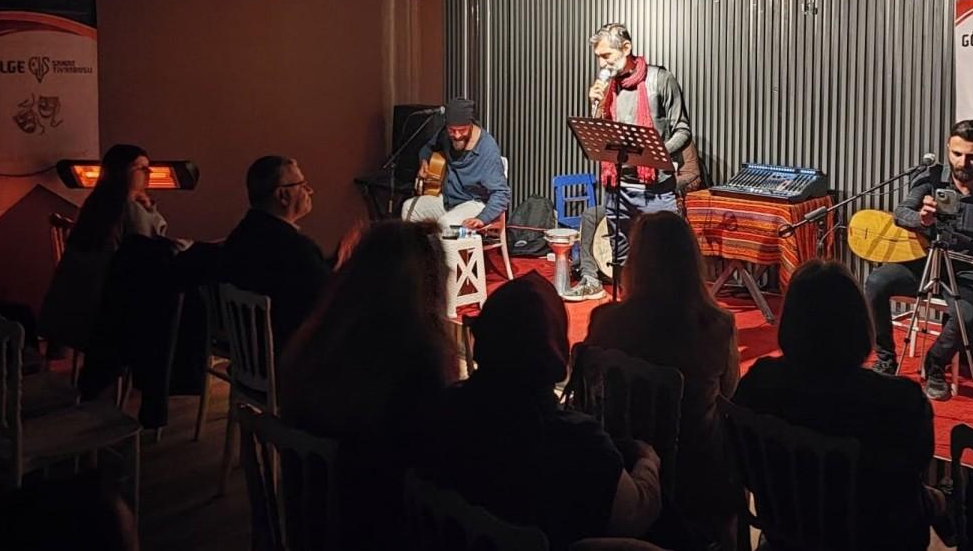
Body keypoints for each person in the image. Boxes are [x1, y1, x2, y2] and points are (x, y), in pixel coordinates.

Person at [413, 272, 662, 549]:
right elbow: (636, 516)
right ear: (555, 348)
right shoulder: (577, 442)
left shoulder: (441, 409)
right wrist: (647, 460)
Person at [734, 260, 943, 551]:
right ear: (860, 321)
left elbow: (742, 461)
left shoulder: (761, 381)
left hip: (787, 532)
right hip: (874, 538)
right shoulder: (900, 400)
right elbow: (908, 475)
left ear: (791, 319)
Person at [281, 221, 457, 550]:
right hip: (375, 528)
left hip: (311, 522)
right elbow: (429, 465)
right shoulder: (416, 357)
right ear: (428, 284)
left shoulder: (323, 338)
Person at [585, 211, 739, 548]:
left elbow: (590, 389)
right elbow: (729, 395)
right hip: (696, 473)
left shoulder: (605, 320)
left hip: (623, 457)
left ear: (636, 262)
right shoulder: (718, 325)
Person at [865, 119, 973, 400]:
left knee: (968, 315)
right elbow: (902, 213)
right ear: (948, 149)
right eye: (956, 154)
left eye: (972, 156)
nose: (963, 162)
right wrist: (921, 218)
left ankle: (935, 363)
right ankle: (886, 357)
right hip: (923, 259)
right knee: (875, 283)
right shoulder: (930, 178)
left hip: (967, 267)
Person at [567, 23, 691, 300]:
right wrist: (595, 105)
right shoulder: (609, 86)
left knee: (665, 258)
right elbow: (600, 135)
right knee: (620, 256)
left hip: (655, 188)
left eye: (607, 55)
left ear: (626, 48)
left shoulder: (660, 80)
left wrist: (654, 153)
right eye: (598, 56)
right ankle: (627, 309)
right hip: (618, 186)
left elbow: (682, 129)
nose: (602, 63)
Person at [40, 144, 169, 358]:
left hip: (73, 308)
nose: (148, 173)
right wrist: (148, 210)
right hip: (108, 309)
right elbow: (151, 246)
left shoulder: (95, 204)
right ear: (123, 172)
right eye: (141, 168)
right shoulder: (129, 208)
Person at [566, 140, 704, 301]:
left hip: (661, 197)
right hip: (630, 196)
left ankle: (653, 281)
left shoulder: (681, 141)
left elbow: (693, 174)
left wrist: (665, 183)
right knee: (590, 215)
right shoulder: (637, 137)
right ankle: (590, 277)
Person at [221, 155, 331, 355]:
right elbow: (327, 301)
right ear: (282, 196)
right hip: (292, 360)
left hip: (254, 357)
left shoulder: (242, 235)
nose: (309, 191)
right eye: (302, 184)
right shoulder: (296, 249)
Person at [401, 97, 511, 231]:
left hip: (475, 203)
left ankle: (447, 251)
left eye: (462, 130)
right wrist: (424, 162)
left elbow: (501, 193)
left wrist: (482, 218)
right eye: (452, 130)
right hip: (448, 200)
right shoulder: (445, 135)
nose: (457, 135)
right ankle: (417, 252)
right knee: (408, 209)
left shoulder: (487, 149)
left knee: (446, 223)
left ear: (471, 124)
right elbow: (427, 148)